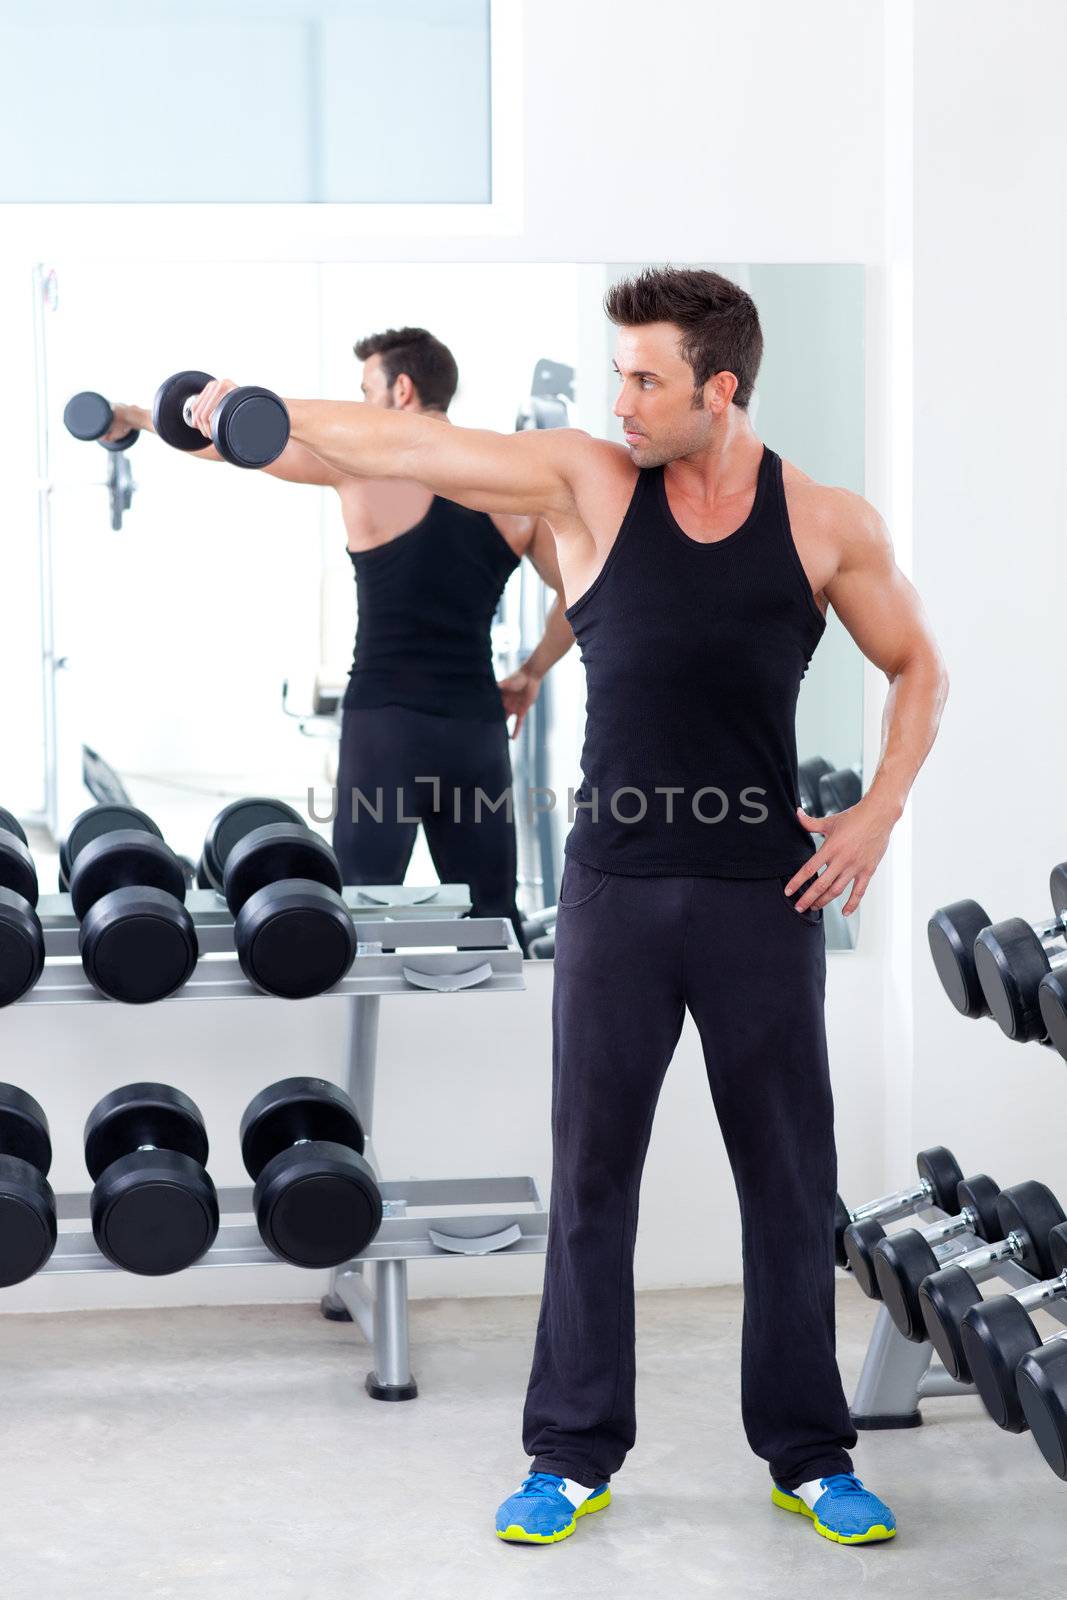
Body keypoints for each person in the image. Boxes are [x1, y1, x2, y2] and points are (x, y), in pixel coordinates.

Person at [187, 268, 949, 1549]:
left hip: (761, 897)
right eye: (616, 376)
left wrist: (877, 809)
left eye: (645, 378)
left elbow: (917, 663)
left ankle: (810, 1455)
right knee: (595, 1178)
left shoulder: (822, 523)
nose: (622, 400)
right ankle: (570, 1452)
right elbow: (418, 440)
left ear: (721, 387)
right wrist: (259, 405)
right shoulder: (590, 484)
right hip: (612, 892)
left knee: (786, 1179)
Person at [104, 327, 574, 953]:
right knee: (492, 915)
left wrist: (135, 417)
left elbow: (226, 438)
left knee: (357, 905)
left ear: (401, 390)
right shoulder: (513, 488)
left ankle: (360, 1049)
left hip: (387, 727)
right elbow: (578, 596)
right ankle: (493, 1047)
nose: (361, 403)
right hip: (474, 729)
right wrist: (532, 672)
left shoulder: (362, 468)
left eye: (365, 389)